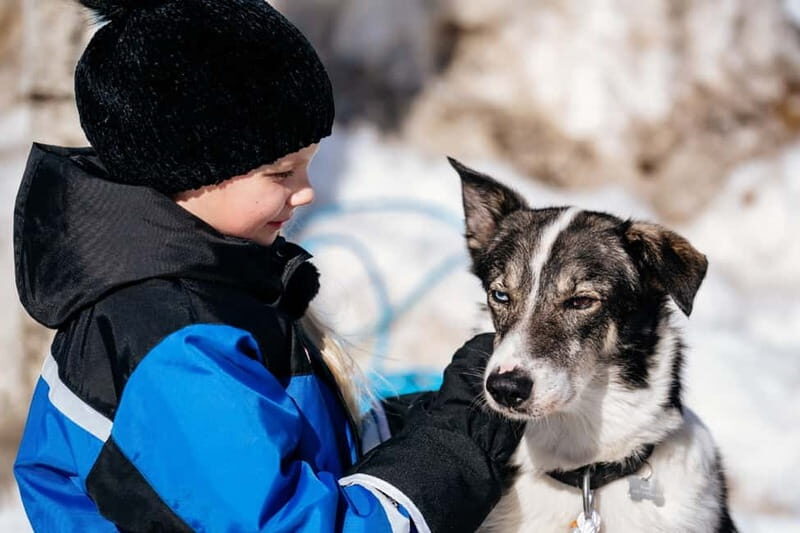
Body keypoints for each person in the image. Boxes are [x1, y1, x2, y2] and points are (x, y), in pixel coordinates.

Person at [12, 0, 524, 531]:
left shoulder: (216, 295)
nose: (307, 192)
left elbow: (308, 451)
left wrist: (442, 415)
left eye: (308, 165)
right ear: (191, 168)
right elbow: (295, 524)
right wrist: (460, 441)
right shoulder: (172, 342)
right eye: (281, 173)